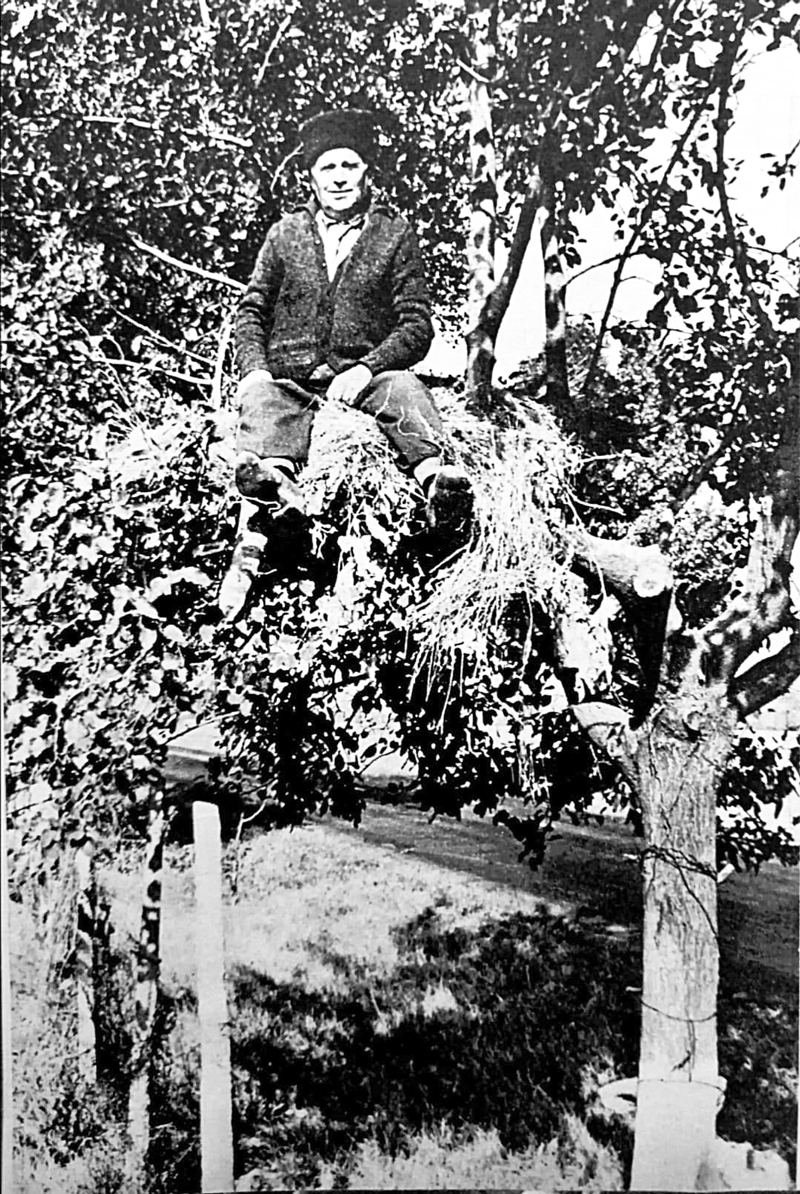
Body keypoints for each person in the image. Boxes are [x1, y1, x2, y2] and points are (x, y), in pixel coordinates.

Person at [219, 108, 473, 618]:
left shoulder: (393, 235)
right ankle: (274, 494)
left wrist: (366, 368)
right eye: (327, 167)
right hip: (290, 377)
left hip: (365, 376)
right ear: (310, 177)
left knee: (404, 390)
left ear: (366, 172)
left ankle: (439, 492)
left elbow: (416, 324)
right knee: (266, 401)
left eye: (349, 166)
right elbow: (252, 310)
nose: (338, 178)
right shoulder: (285, 234)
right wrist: (254, 368)